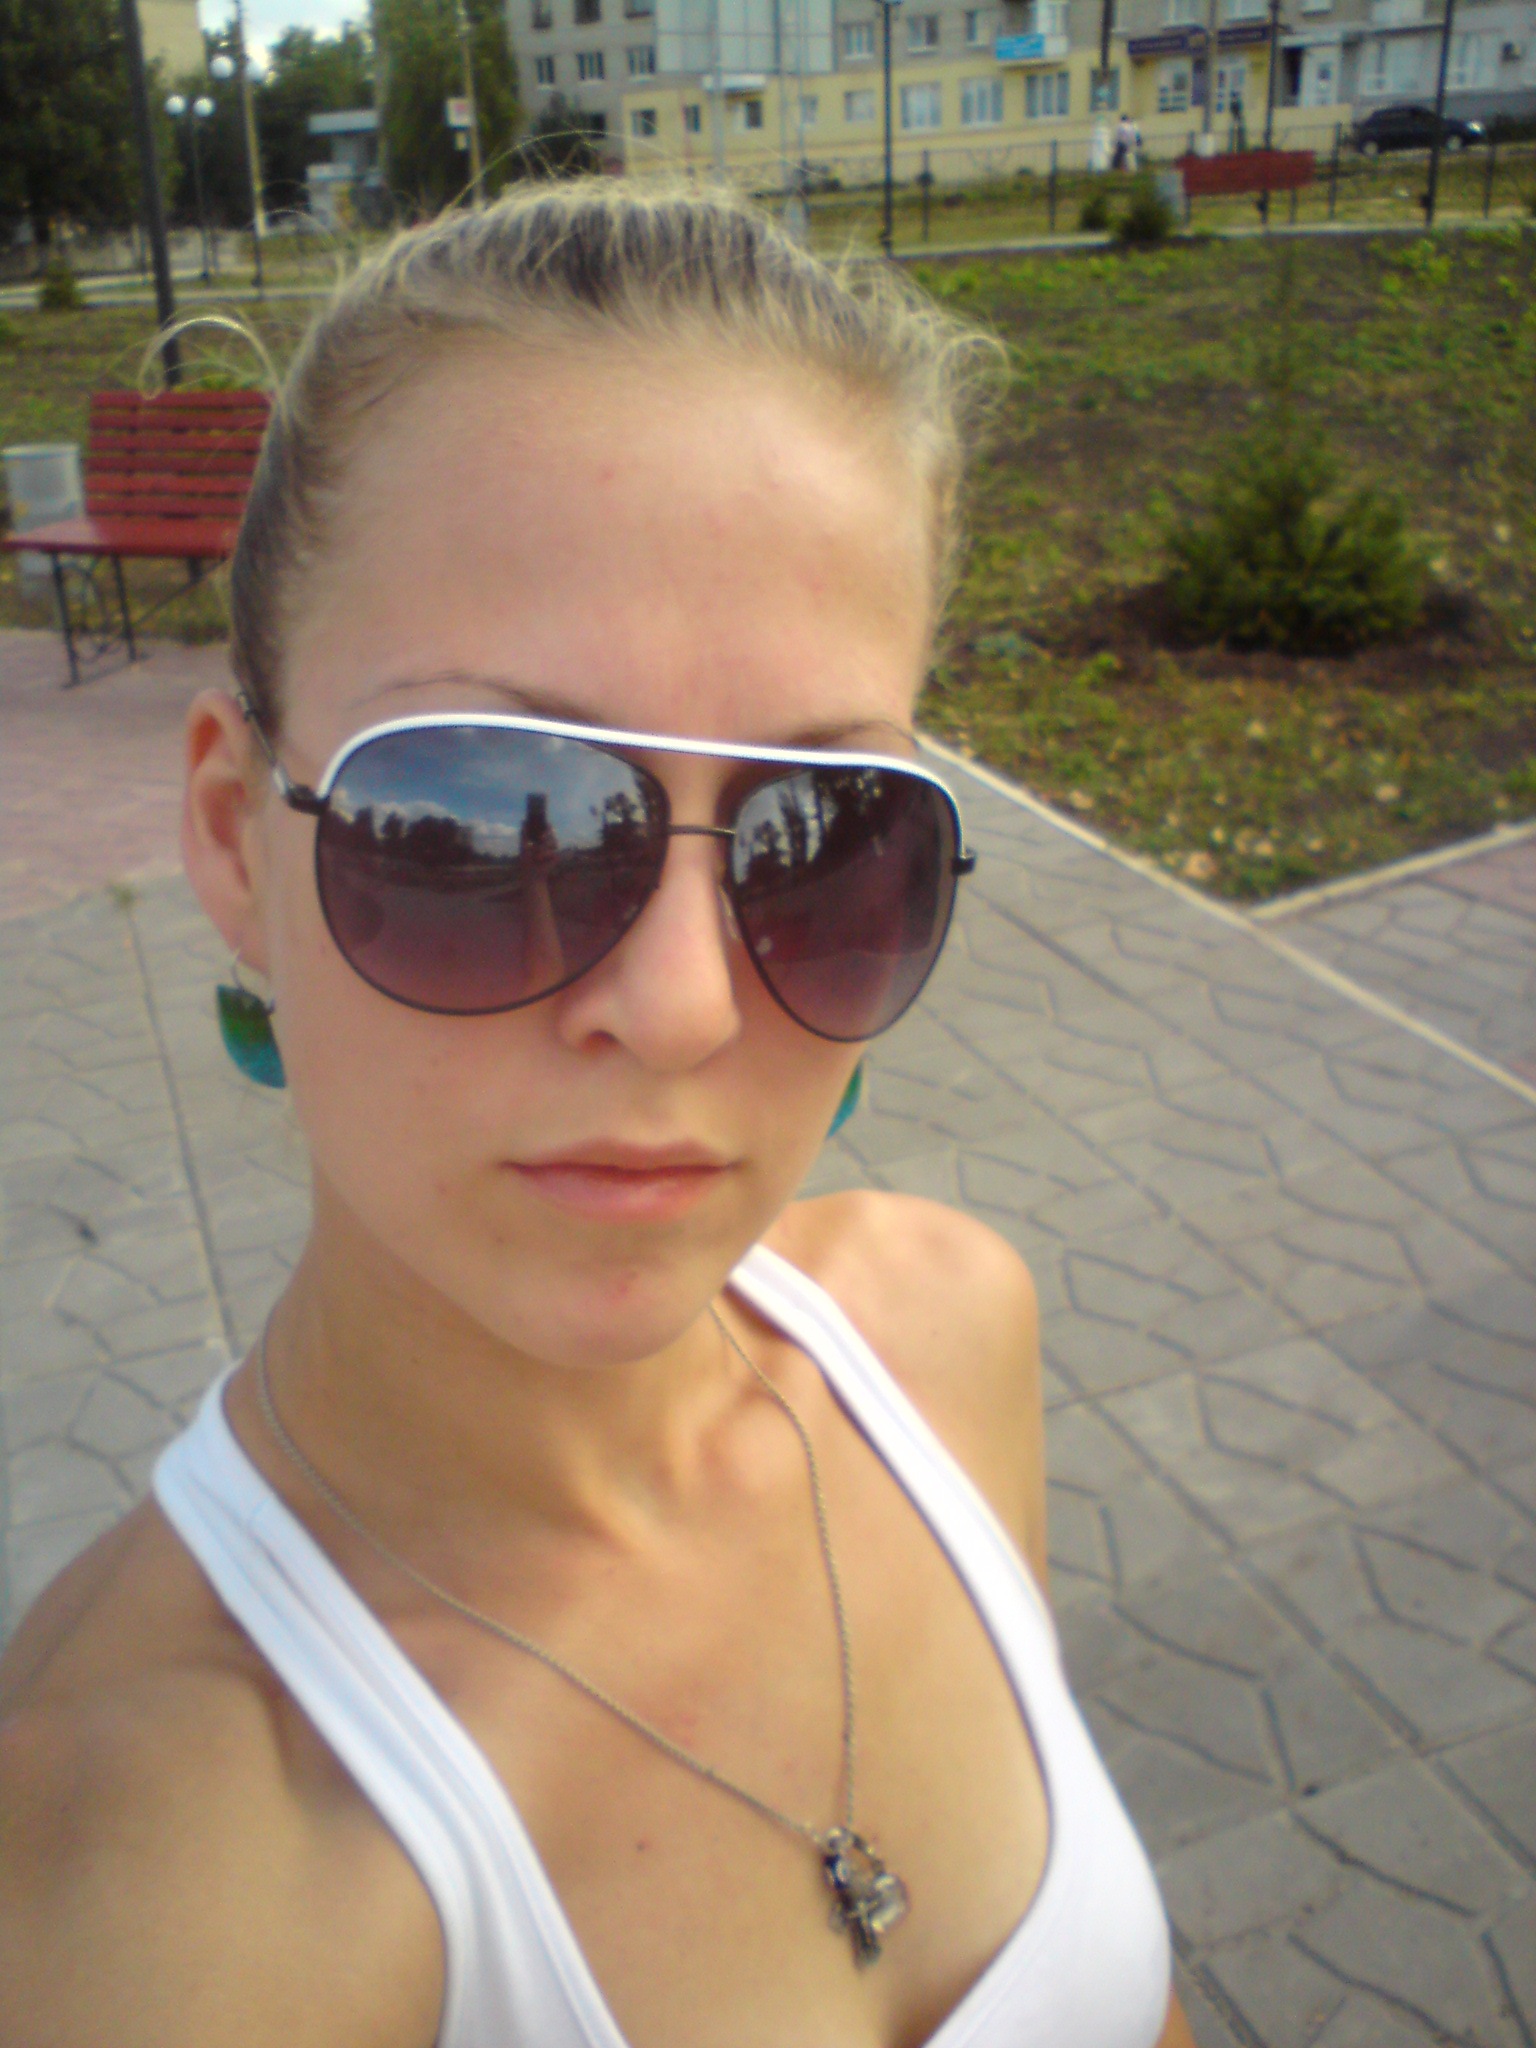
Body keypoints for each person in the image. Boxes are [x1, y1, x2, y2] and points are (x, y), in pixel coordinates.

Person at [0, 186, 1194, 2048]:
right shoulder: (147, 1888)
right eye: (487, 824)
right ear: (237, 841)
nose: (685, 1003)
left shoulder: (948, 1343)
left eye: (823, 839)